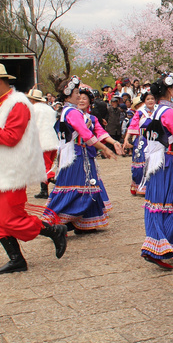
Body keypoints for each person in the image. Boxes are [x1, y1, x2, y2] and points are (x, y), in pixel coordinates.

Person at [0, 63, 67, 274]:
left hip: (12, 170)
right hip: (0, 170)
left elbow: (11, 137)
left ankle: (54, 231)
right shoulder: (2, 103)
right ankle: (16, 259)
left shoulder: (17, 104)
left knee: (12, 219)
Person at [45, 77, 121, 234]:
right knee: (76, 188)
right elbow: (86, 134)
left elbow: (98, 133)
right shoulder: (71, 112)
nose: (79, 97)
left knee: (87, 187)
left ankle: (83, 221)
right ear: (68, 95)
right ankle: (54, 222)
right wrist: (104, 149)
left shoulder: (78, 114)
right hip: (76, 156)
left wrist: (112, 143)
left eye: (82, 95)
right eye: (76, 93)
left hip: (82, 155)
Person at [139, 74, 173, 270]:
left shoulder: (154, 111)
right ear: (169, 91)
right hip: (167, 163)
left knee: (157, 203)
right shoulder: (169, 112)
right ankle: (157, 247)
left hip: (155, 164)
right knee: (171, 202)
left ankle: (170, 245)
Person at [26, 89, 58, 199]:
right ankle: (44, 190)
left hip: (41, 141)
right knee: (46, 165)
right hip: (53, 140)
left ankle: (55, 180)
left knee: (44, 167)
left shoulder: (32, 109)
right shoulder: (50, 109)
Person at [123, 92, 156, 196]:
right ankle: (138, 185)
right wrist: (126, 140)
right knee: (140, 164)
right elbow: (132, 126)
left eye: (152, 98)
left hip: (155, 140)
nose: (150, 101)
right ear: (144, 101)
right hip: (142, 140)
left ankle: (151, 187)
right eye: (148, 99)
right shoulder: (140, 112)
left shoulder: (158, 111)